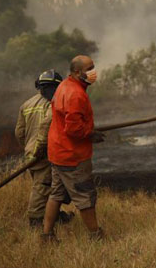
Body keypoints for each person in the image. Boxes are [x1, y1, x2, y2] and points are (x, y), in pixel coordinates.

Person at [41, 55, 106, 242]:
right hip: (72, 156)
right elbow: (74, 129)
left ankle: (46, 235)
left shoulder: (64, 86)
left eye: (93, 66)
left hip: (58, 153)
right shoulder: (76, 94)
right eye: (89, 68)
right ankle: (96, 236)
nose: (93, 71)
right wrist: (91, 134)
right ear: (77, 72)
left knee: (56, 194)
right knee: (85, 195)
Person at [14, 69, 74, 227]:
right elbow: (48, 128)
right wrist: (40, 148)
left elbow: (19, 133)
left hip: (31, 153)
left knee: (50, 186)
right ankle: (35, 220)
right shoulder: (54, 103)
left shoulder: (26, 104)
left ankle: (55, 216)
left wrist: (28, 147)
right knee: (42, 187)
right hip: (44, 153)